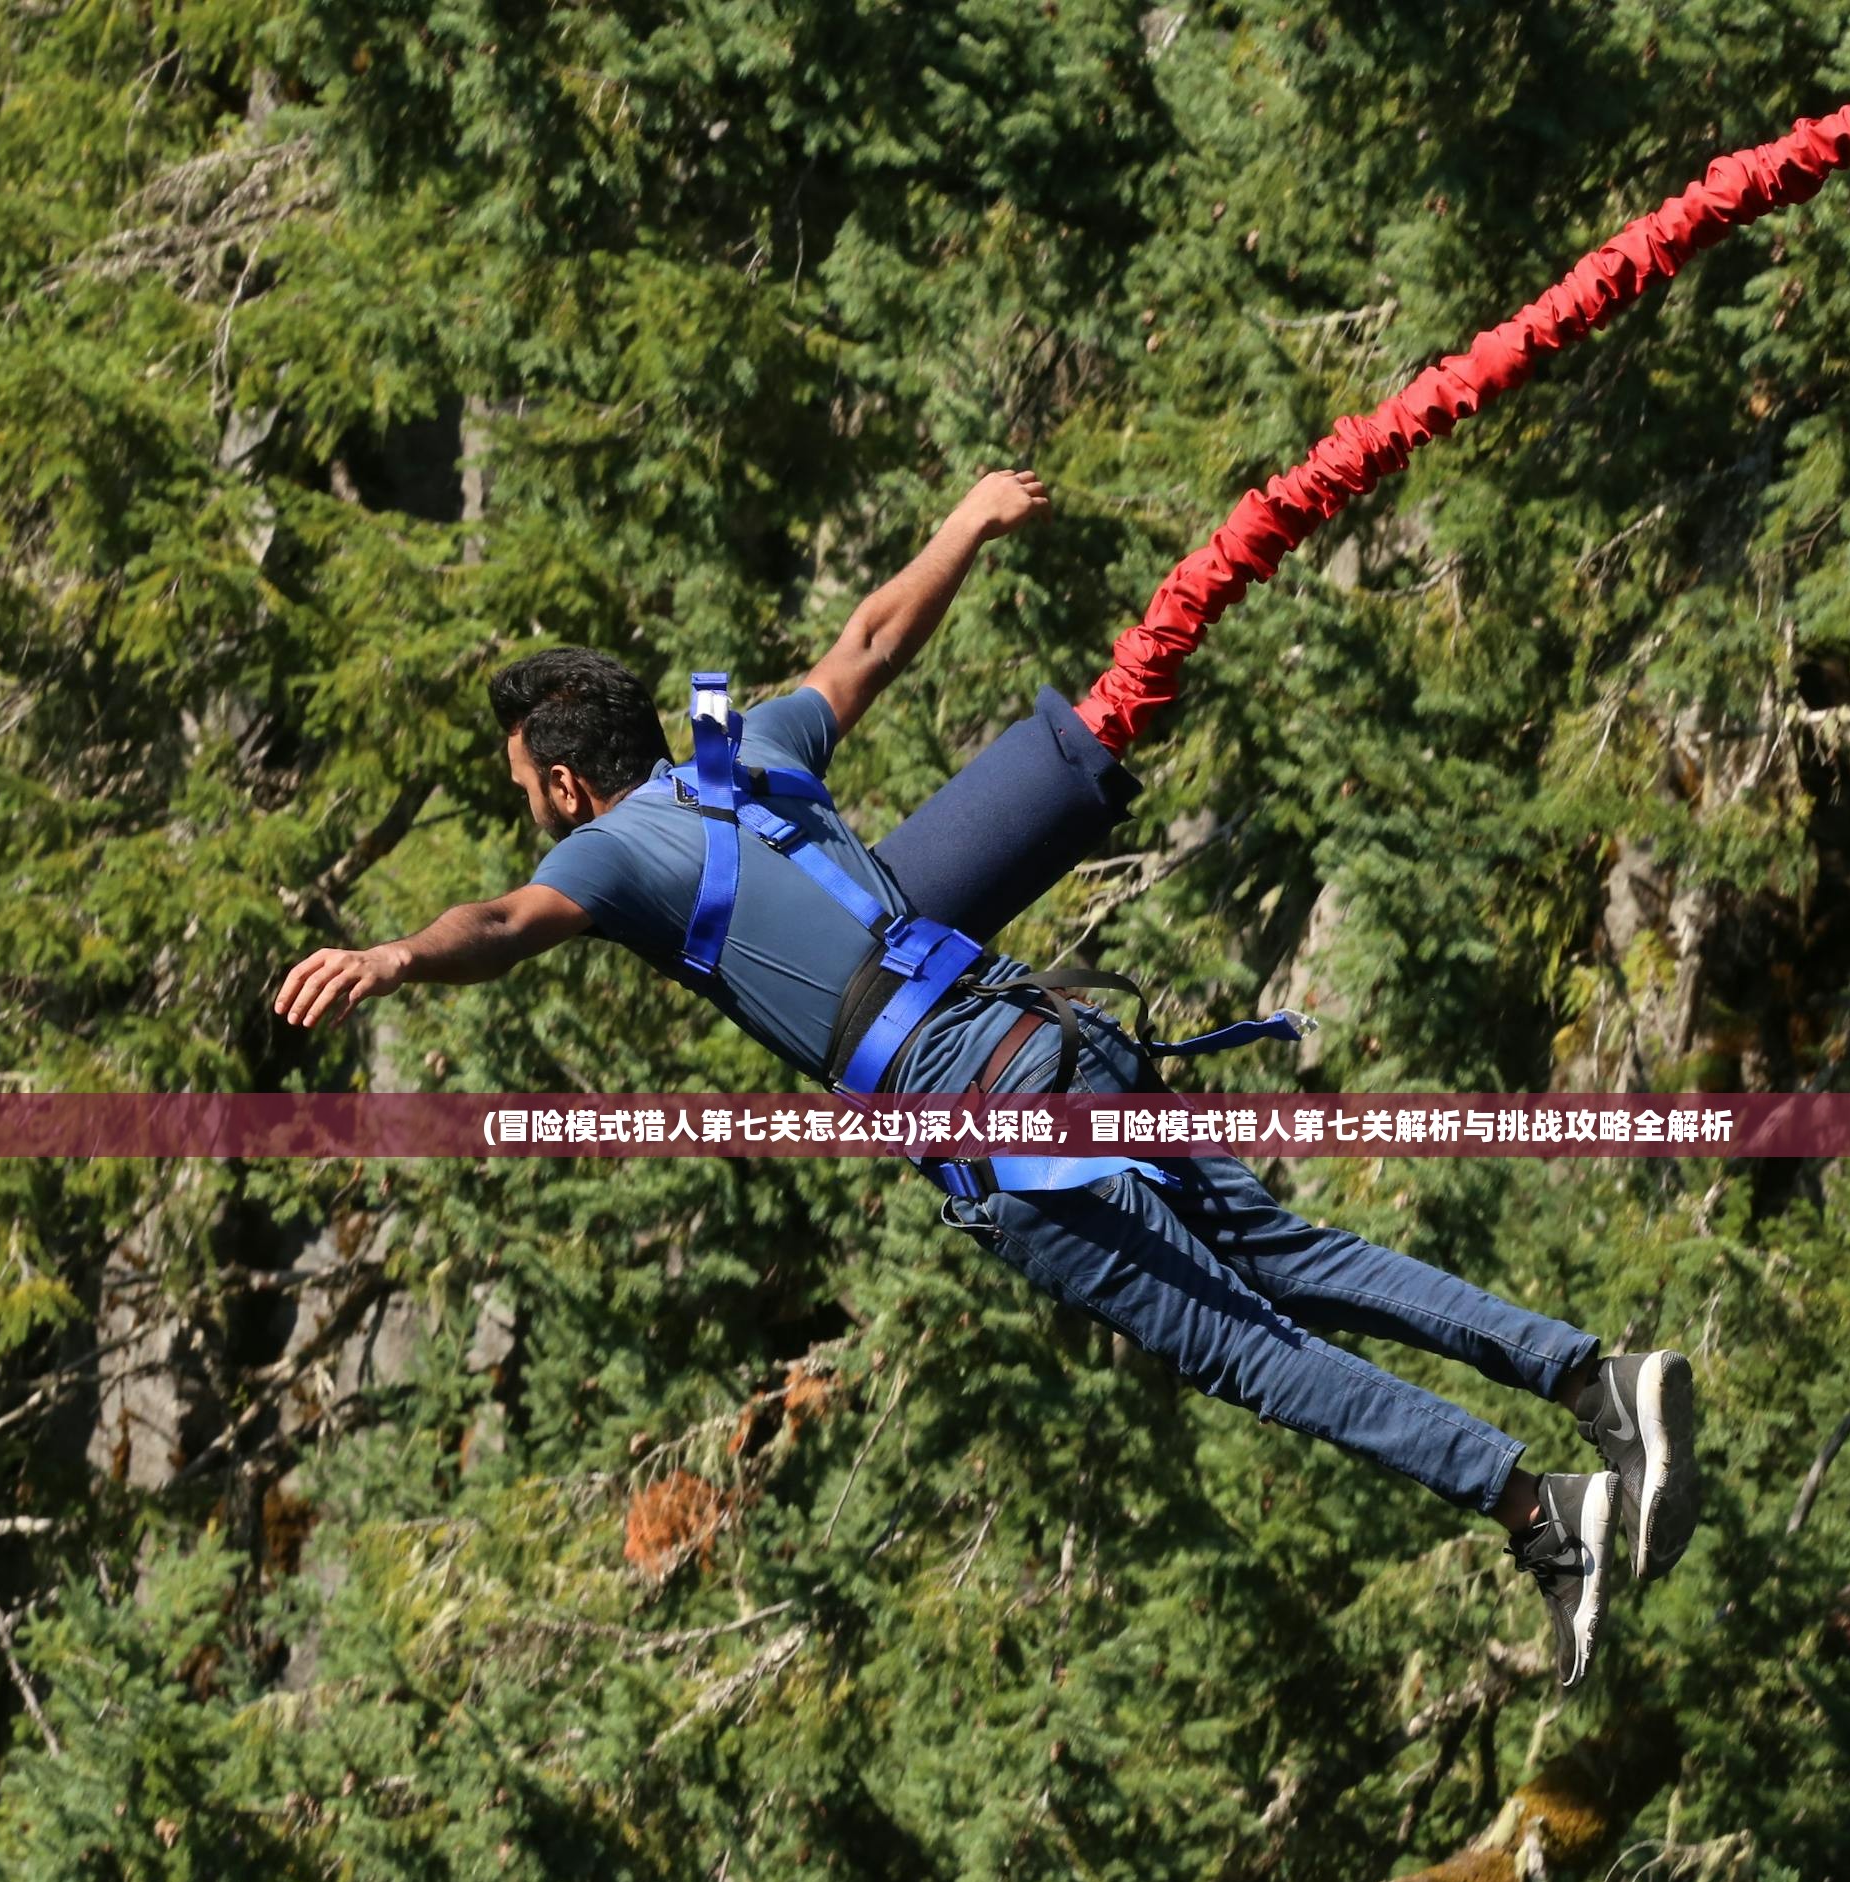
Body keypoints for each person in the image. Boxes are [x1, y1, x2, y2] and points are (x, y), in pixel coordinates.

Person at [271, 470, 1694, 1684]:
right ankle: (1591, 1377)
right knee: (1291, 1254)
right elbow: (871, 643)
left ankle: (1537, 1508)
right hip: (1053, 1032)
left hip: (984, 1110)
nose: (533, 819)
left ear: (569, 788)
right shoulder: (743, 754)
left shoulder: (607, 851)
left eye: (527, 794)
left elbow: (506, 925)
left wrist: (399, 956)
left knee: (1246, 1346)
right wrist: (963, 524)